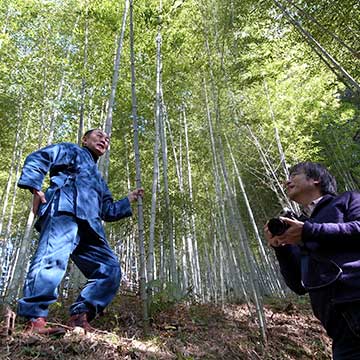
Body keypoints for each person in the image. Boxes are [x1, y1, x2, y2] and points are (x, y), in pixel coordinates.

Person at [17, 129, 144, 335]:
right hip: (64, 211)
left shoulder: (99, 179)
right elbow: (40, 157)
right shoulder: (71, 150)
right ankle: (35, 320)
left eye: (107, 139)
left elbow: (107, 210)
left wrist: (128, 199)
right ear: (85, 140)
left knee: (109, 269)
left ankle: (80, 315)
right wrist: (35, 186)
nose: (104, 139)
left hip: (90, 226)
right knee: (52, 260)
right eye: (99, 135)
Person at [264, 161, 360, 359]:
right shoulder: (301, 227)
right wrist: (280, 248)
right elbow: (299, 285)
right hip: (337, 327)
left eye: (294, 175)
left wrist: (309, 231)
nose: (286, 181)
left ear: (315, 179)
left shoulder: (347, 200)